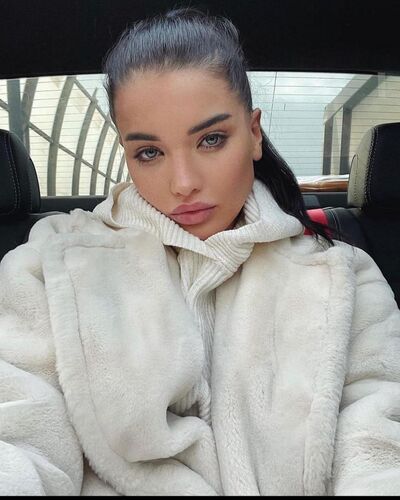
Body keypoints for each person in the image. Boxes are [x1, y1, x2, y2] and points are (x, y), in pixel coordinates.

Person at [1, 7, 400, 496]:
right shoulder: (52, 266)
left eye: (211, 139)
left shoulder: (343, 277)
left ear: (254, 133)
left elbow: (379, 447)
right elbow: (19, 433)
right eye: (150, 152)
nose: (183, 183)